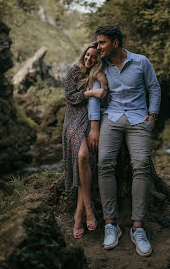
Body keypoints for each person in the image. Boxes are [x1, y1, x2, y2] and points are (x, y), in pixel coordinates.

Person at [88, 26, 161, 256]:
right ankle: (111, 224)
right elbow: (94, 92)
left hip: (139, 119)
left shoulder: (141, 62)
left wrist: (153, 115)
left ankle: (138, 228)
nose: (98, 46)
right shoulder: (101, 65)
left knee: (141, 165)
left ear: (115, 43)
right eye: (98, 43)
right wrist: (94, 124)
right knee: (104, 163)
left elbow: (154, 88)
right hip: (112, 116)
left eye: (102, 43)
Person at [62, 41, 107, 239]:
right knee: (82, 156)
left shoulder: (97, 74)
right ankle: (89, 208)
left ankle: (78, 216)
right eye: (87, 55)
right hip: (72, 120)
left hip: (88, 120)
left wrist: (100, 79)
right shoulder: (74, 70)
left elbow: (105, 97)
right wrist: (90, 92)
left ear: (98, 60)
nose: (89, 59)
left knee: (84, 162)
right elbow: (70, 97)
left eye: (94, 57)